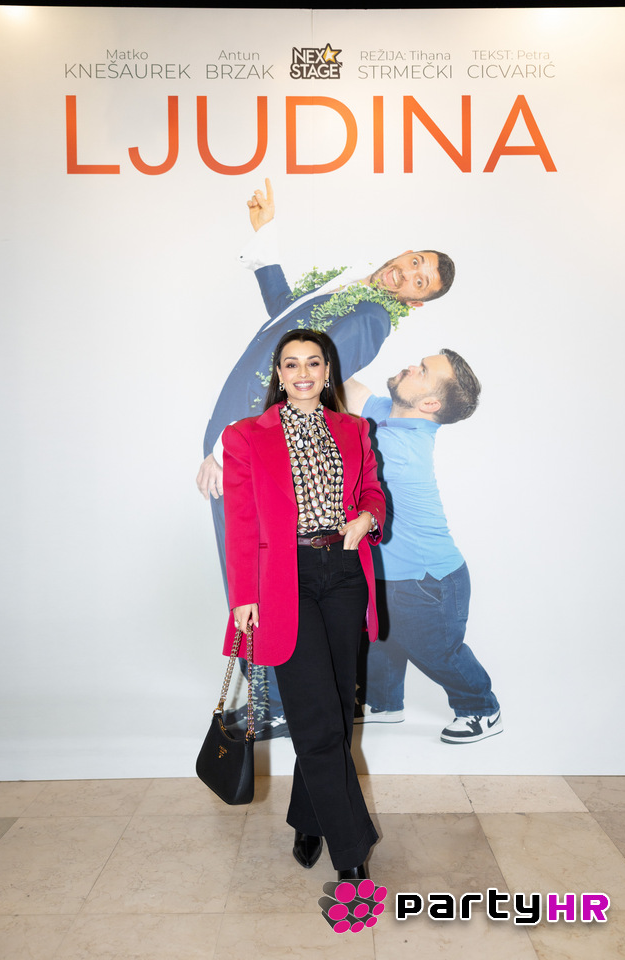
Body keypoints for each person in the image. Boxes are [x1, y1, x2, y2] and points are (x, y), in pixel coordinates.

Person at [197, 179, 454, 736]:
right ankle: (276, 700)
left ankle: (277, 703)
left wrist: (227, 445)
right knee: (252, 573)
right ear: (405, 252)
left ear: (414, 301)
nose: (408, 273)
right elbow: (285, 319)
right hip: (240, 443)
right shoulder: (354, 287)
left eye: (419, 281)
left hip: (246, 451)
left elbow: (303, 384)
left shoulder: (370, 317)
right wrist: (265, 236)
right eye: (415, 262)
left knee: (255, 576)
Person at [222, 329, 386, 879]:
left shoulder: (354, 429)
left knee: (334, 711)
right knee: (316, 720)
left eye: (313, 363)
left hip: (343, 572)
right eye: (291, 364)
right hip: (282, 581)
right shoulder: (246, 436)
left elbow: (372, 492)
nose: (302, 373)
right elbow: (241, 521)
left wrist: (367, 518)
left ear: (327, 371)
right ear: (279, 374)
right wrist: (243, 596)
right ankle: (351, 851)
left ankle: (310, 815)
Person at [344, 350, 502, 744]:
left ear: (429, 403)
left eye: (423, 371)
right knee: (381, 638)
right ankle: (383, 704)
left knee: (439, 652)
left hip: (427, 582)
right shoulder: (389, 413)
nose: (412, 366)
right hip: (391, 572)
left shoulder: (400, 449)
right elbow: (348, 387)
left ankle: (481, 708)